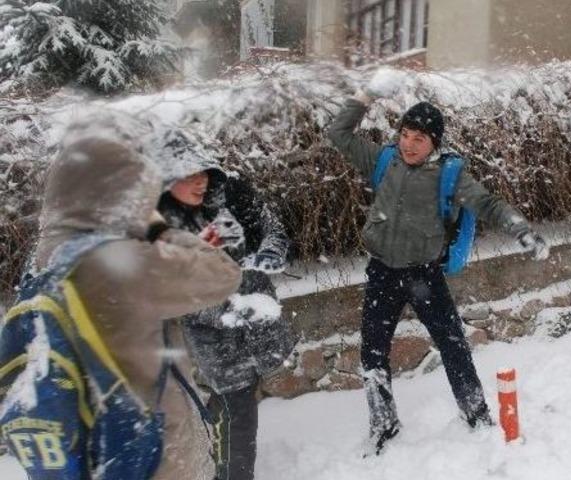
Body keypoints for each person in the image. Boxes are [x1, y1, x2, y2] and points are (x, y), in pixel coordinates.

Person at [326, 69, 549, 455]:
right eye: (405, 136)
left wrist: (521, 230)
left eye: (420, 139)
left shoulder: (449, 175)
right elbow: (338, 133)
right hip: (382, 272)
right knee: (373, 352)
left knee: (452, 344)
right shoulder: (383, 161)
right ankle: (384, 423)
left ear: (434, 143)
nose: (410, 145)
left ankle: (475, 413)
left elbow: (488, 204)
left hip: (424, 275)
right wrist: (365, 96)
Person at [29, 114, 241, 479]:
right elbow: (222, 274)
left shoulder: (47, 255)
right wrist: (154, 224)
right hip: (147, 448)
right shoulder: (120, 260)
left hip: (84, 440)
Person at [152, 128, 293, 480]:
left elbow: (267, 230)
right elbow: (171, 296)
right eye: (188, 176)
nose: (199, 182)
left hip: (258, 322)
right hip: (215, 337)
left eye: (202, 173)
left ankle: (220, 450)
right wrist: (229, 309)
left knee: (238, 400)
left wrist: (271, 250)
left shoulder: (224, 199)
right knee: (239, 406)